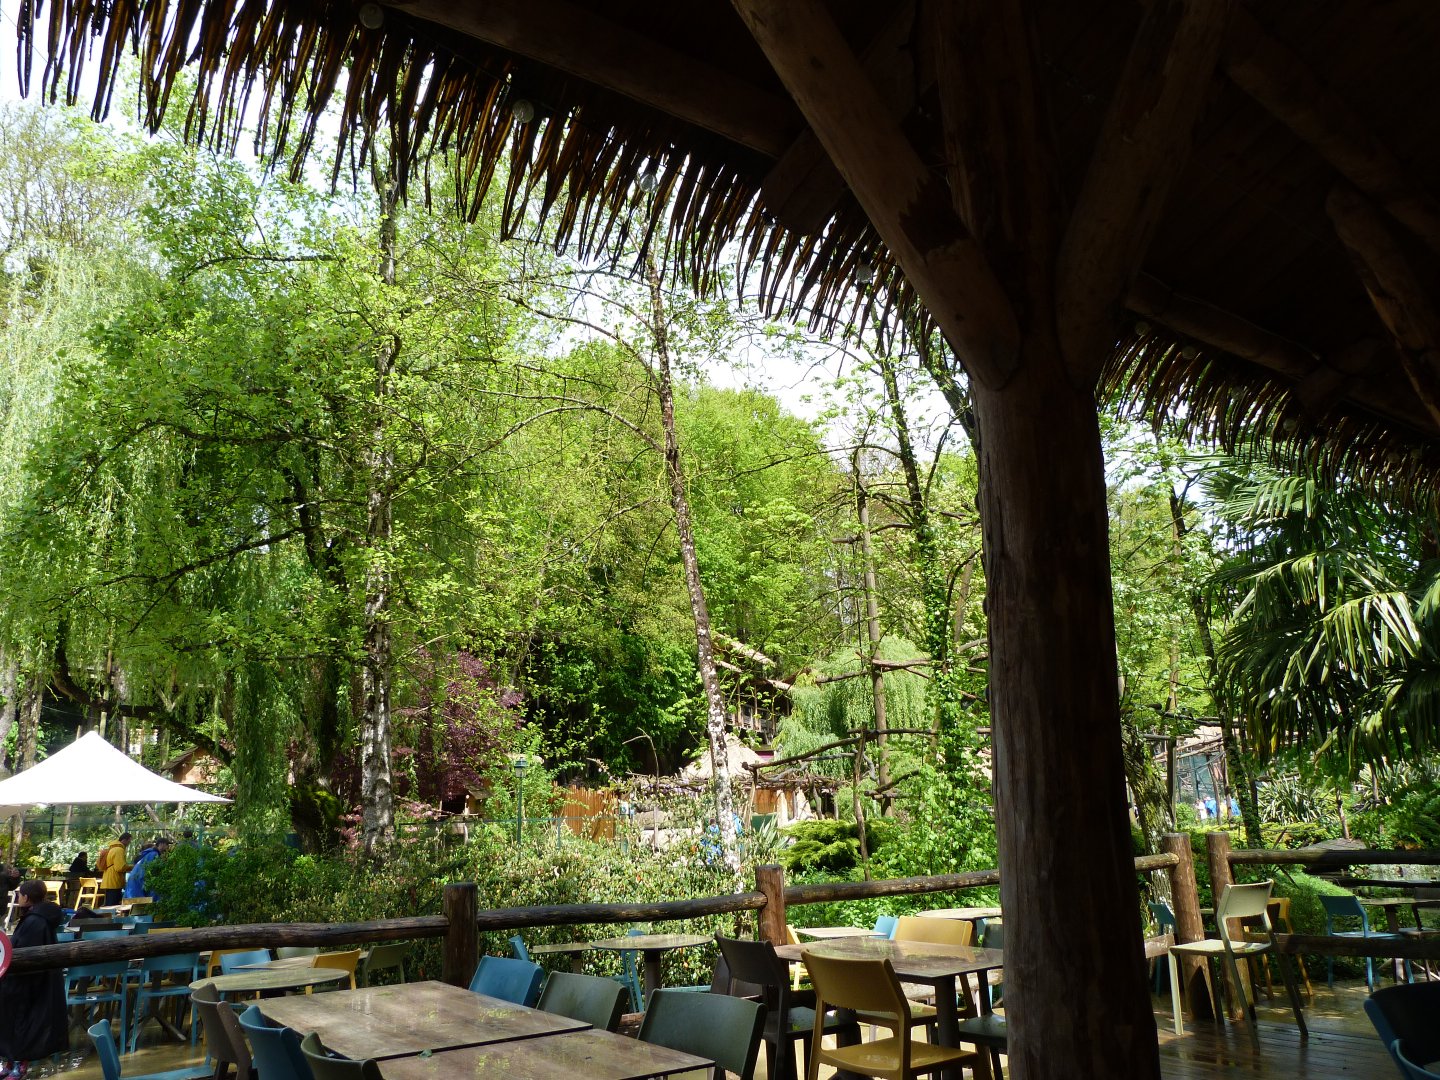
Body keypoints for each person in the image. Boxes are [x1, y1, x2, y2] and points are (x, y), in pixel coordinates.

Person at [0, 880, 68, 1079]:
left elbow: (22, 951)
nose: (18, 897)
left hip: (27, 982)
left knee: (21, 1024)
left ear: (26, 897)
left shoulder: (35, 921)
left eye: (20, 894)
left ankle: (19, 1064)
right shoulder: (38, 917)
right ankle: (9, 1061)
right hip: (30, 981)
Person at [97, 832, 132, 906]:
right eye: (129, 841)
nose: (129, 844)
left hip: (109, 880)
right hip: (114, 881)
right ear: (125, 840)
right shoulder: (119, 850)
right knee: (112, 906)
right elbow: (120, 867)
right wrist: (132, 867)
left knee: (109, 904)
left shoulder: (113, 848)